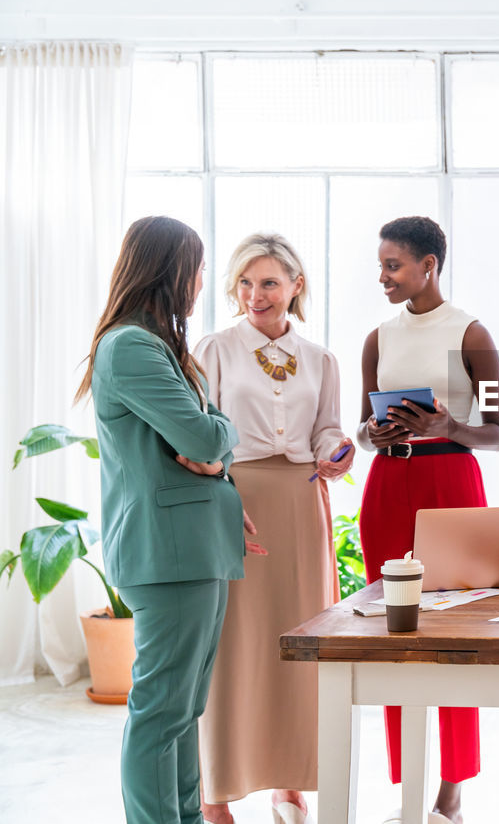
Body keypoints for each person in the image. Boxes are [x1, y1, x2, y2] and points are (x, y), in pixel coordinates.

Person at [77, 216, 264, 824]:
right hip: (168, 553)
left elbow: (205, 447)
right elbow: (204, 437)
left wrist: (216, 453)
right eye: (199, 267)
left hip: (191, 549)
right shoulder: (130, 346)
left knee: (183, 709)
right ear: (170, 270)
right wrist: (224, 438)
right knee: (163, 710)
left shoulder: (157, 345)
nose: (204, 281)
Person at [193, 233, 353, 824]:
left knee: (300, 639)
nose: (254, 295)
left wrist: (338, 449)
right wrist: (218, 497)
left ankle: (291, 782)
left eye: (268, 283)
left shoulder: (322, 359)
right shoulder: (213, 350)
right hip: (232, 498)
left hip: (300, 502)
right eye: (244, 282)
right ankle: (217, 791)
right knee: (232, 643)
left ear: (295, 286)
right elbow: (197, 434)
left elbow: (327, 431)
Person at [355, 215, 499, 824]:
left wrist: (449, 427)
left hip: (450, 484)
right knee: (395, 633)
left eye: (393, 265)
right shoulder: (377, 338)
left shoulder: (471, 334)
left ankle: (451, 790)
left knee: (452, 635)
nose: (384, 277)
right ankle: (408, 783)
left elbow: (498, 434)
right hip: (389, 485)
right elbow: (363, 432)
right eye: (381, 266)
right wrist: (374, 432)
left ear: (429, 266)